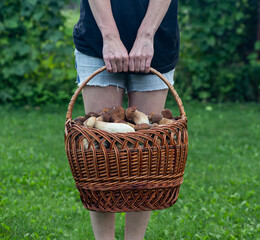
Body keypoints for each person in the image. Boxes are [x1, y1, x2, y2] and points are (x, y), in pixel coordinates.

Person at [72, 0, 180, 239]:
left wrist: (146, 34)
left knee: (146, 155)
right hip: (97, 37)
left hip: (157, 39)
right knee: (101, 155)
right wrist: (110, 36)